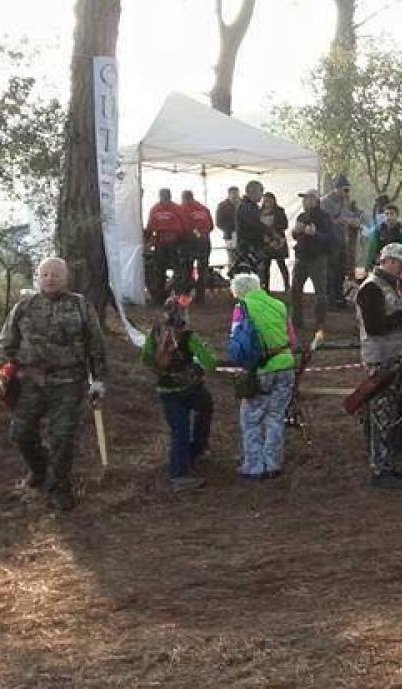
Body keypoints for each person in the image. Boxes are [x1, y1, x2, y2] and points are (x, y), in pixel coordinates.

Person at [0, 257, 106, 510]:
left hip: (68, 381)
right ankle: (40, 470)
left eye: (56, 274)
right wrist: (0, 375)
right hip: (31, 381)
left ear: (66, 278)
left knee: (62, 437)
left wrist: (98, 380)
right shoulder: (24, 306)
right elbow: (5, 344)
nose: (50, 279)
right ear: (38, 278)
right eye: (45, 274)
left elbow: (96, 345)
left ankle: (59, 488)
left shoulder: (81, 306)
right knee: (20, 433)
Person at [355, 242, 402, 490]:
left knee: (389, 415)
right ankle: (379, 468)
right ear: (386, 261)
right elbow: (375, 326)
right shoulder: (371, 289)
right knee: (380, 416)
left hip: (392, 356)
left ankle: (387, 463)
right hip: (379, 359)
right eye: (399, 264)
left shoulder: (387, 287)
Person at [140, 294, 215, 491]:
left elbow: (145, 359)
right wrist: (199, 364)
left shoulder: (154, 333)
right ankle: (185, 465)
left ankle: (182, 463)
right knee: (205, 408)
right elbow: (210, 362)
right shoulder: (188, 336)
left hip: (165, 389)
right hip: (191, 388)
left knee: (178, 429)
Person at [227, 271, 297, 480]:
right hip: (285, 365)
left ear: (239, 292)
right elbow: (291, 339)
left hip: (261, 368)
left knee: (251, 418)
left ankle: (254, 465)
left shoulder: (242, 308)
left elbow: (238, 342)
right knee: (276, 416)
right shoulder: (279, 305)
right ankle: (273, 464)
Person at [288, 189, 338, 331]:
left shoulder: (324, 218)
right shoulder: (301, 216)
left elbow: (331, 239)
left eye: (308, 199)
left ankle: (320, 323)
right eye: (304, 199)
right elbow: (295, 236)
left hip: (317, 259)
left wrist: (316, 234)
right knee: (295, 290)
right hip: (301, 257)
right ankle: (296, 321)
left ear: (316, 201)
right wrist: (295, 231)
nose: (305, 201)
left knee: (320, 293)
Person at [322, 175, 364, 310]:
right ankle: (329, 300)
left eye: (348, 190)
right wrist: (342, 220)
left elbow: (351, 216)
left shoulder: (346, 202)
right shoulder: (326, 202)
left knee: (341, 271)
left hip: (342, 241)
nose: (346, 193)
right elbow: (327, 220)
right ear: (336, 189)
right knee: (331, 272)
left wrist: (354, 220)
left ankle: (339, 298)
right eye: (344, 190)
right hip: (330, 242)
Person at [144, 187, 187, 300]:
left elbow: (149, 226)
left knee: (160, 270)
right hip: (173, 242)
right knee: (177, 270)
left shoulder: (155, 208)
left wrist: (147, 239)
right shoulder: (177, 208)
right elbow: (184, 225)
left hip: (162, 242)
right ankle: (177, 295)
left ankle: (161, 296)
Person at [179, 189, 215, 302]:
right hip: (205, 241)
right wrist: (202, 234)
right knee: (202, 269)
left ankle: (185, 296)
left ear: (184, 198)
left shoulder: (182, 208)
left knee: (186, 269)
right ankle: (200, 297)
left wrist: (194, 234)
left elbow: (183, 226)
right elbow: (211, 226)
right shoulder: (204, 208)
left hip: (188, 242)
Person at [233, 180, 268, 278]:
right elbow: (255, 224)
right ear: (253, 192)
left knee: (257, 276)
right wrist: (270, 234)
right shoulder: (245, 207)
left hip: (254, 246)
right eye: (261, 192)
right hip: (247, 248)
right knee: (249, 277)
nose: (262, 196)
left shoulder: (254, 206)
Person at [364, 202, 402, 269]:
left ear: (397, 216)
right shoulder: (378, 230)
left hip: (397, 261)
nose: (389, 217)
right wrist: (368, 265)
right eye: (386, 214)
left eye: (391, 214)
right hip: (382, 260)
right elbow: (372, 249)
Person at [215, 185, 240, 261]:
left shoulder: (242, 203)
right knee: (232, 258)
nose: (235, 196)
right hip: (229, 236)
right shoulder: (222, 206)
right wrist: (231, 229)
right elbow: (219, 223)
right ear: (229, 194)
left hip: (243, 236)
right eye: (233, 194)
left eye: (237, 194)